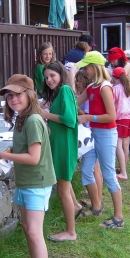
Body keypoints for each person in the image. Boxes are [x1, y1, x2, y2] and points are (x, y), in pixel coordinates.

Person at [0, 74, 56, 258]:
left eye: (18, 94)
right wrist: (11, 149)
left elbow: (34, 157)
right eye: (9, 96)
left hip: (37, 182)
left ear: (29, 95)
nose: (13, 99)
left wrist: (4, 155)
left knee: (35, 233)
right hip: (26, 182)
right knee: (28, 229)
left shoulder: (33, 120)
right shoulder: (22, 119)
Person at [75, 51, 124, 229]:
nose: (84, 71)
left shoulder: (105, 87)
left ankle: (118, 218)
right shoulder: (91, 87)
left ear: (95, 67)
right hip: (94, 134)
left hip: (106, 134)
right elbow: (75, 102)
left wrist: (87, 117)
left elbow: (111, 116)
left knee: (109, 174)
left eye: (86, 68)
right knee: (86, 171)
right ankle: (96, 208)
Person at [40, 61, 80, 242]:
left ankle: (71, 232)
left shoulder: (65, 90)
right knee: (64, 188)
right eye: (46, 77)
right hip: (60, 146)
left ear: (61, 74)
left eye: (52, 76)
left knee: (63, 191)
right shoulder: (58, 93)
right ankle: (75, 209)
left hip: (65, 148)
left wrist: (46, 115)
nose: (49, 80)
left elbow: (70, 120)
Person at [74, 69, 103, 210]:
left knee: (95, 170)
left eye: (79, 81)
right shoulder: (84, 95)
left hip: (91, 136)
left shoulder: (88, 96)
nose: (77, 83)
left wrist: (76, 108)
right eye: (76, 80)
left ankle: (98, 200)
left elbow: (86, 114)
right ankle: (96, 198)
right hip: (90, 135)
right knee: (93, 170)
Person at [111, 67, 130, 181]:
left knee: (118, 145)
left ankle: (123, 173)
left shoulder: (115, 89)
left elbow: (110, 104)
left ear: (114, 78)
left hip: (120, 120)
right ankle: (123, 168)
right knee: (126, 145)